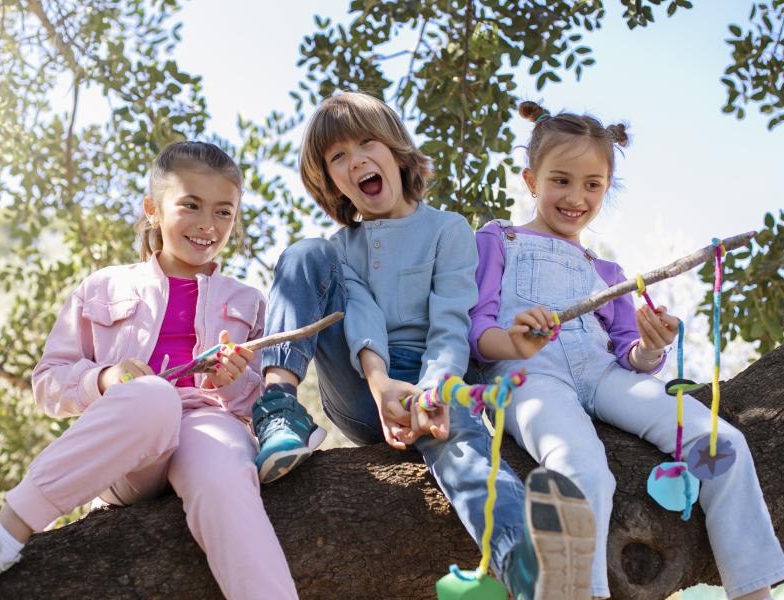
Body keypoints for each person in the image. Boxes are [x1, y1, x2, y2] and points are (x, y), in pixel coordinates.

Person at [252, 90, 597, 599]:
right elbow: (361, 315)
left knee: (462, 444)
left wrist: (433, 391)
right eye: (338, 157)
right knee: (304, 254)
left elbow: (450, 324)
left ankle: (526, 563)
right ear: (331, 180)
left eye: (366, 143)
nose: (356, 161)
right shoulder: (338, 249)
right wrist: (380, 385)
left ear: (395, 150)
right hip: (363, 386)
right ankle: (279, 409)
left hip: (436, 374)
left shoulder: (448, 229)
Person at [469, 101, 784, 600]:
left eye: (592, 185)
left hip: (603, 375)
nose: (576, 197)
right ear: (531, 181)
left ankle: (753, 589)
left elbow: (631, 357)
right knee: (579, 467)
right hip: (528, 376)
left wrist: (651, 345)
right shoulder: (497, 240)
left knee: (721, 442)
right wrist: (513, 341)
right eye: (561, 180)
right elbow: (476, 330)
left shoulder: (608, 273)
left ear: (606, 188)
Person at [0, 141, 299, 599]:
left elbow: (260, 404)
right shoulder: (104, 286)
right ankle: (3, 536)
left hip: (208, 430)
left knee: (225, 474)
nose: (207, 224)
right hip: (128, 452)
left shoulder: (249, 301)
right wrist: (104, 379)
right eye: (191, 205)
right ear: (153, 209)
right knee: (153, 396)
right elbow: (48, 383)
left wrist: (231, 383)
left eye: (223, 212)